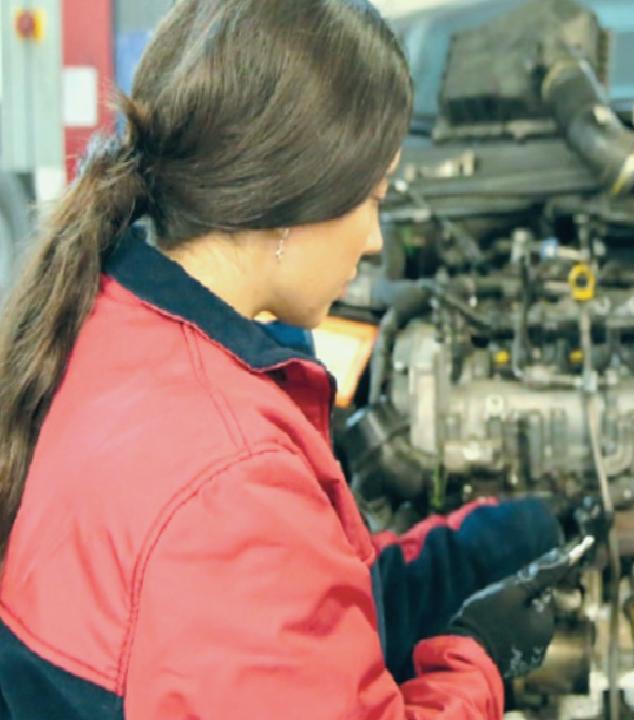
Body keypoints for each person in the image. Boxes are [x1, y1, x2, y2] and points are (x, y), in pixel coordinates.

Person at [0, 1, 574, 717]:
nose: (374, 239)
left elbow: (288, 621)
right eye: (372, 198)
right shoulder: (231, 479)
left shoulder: (116, 324)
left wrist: (479, 550)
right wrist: (479, 660)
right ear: (290, 198)